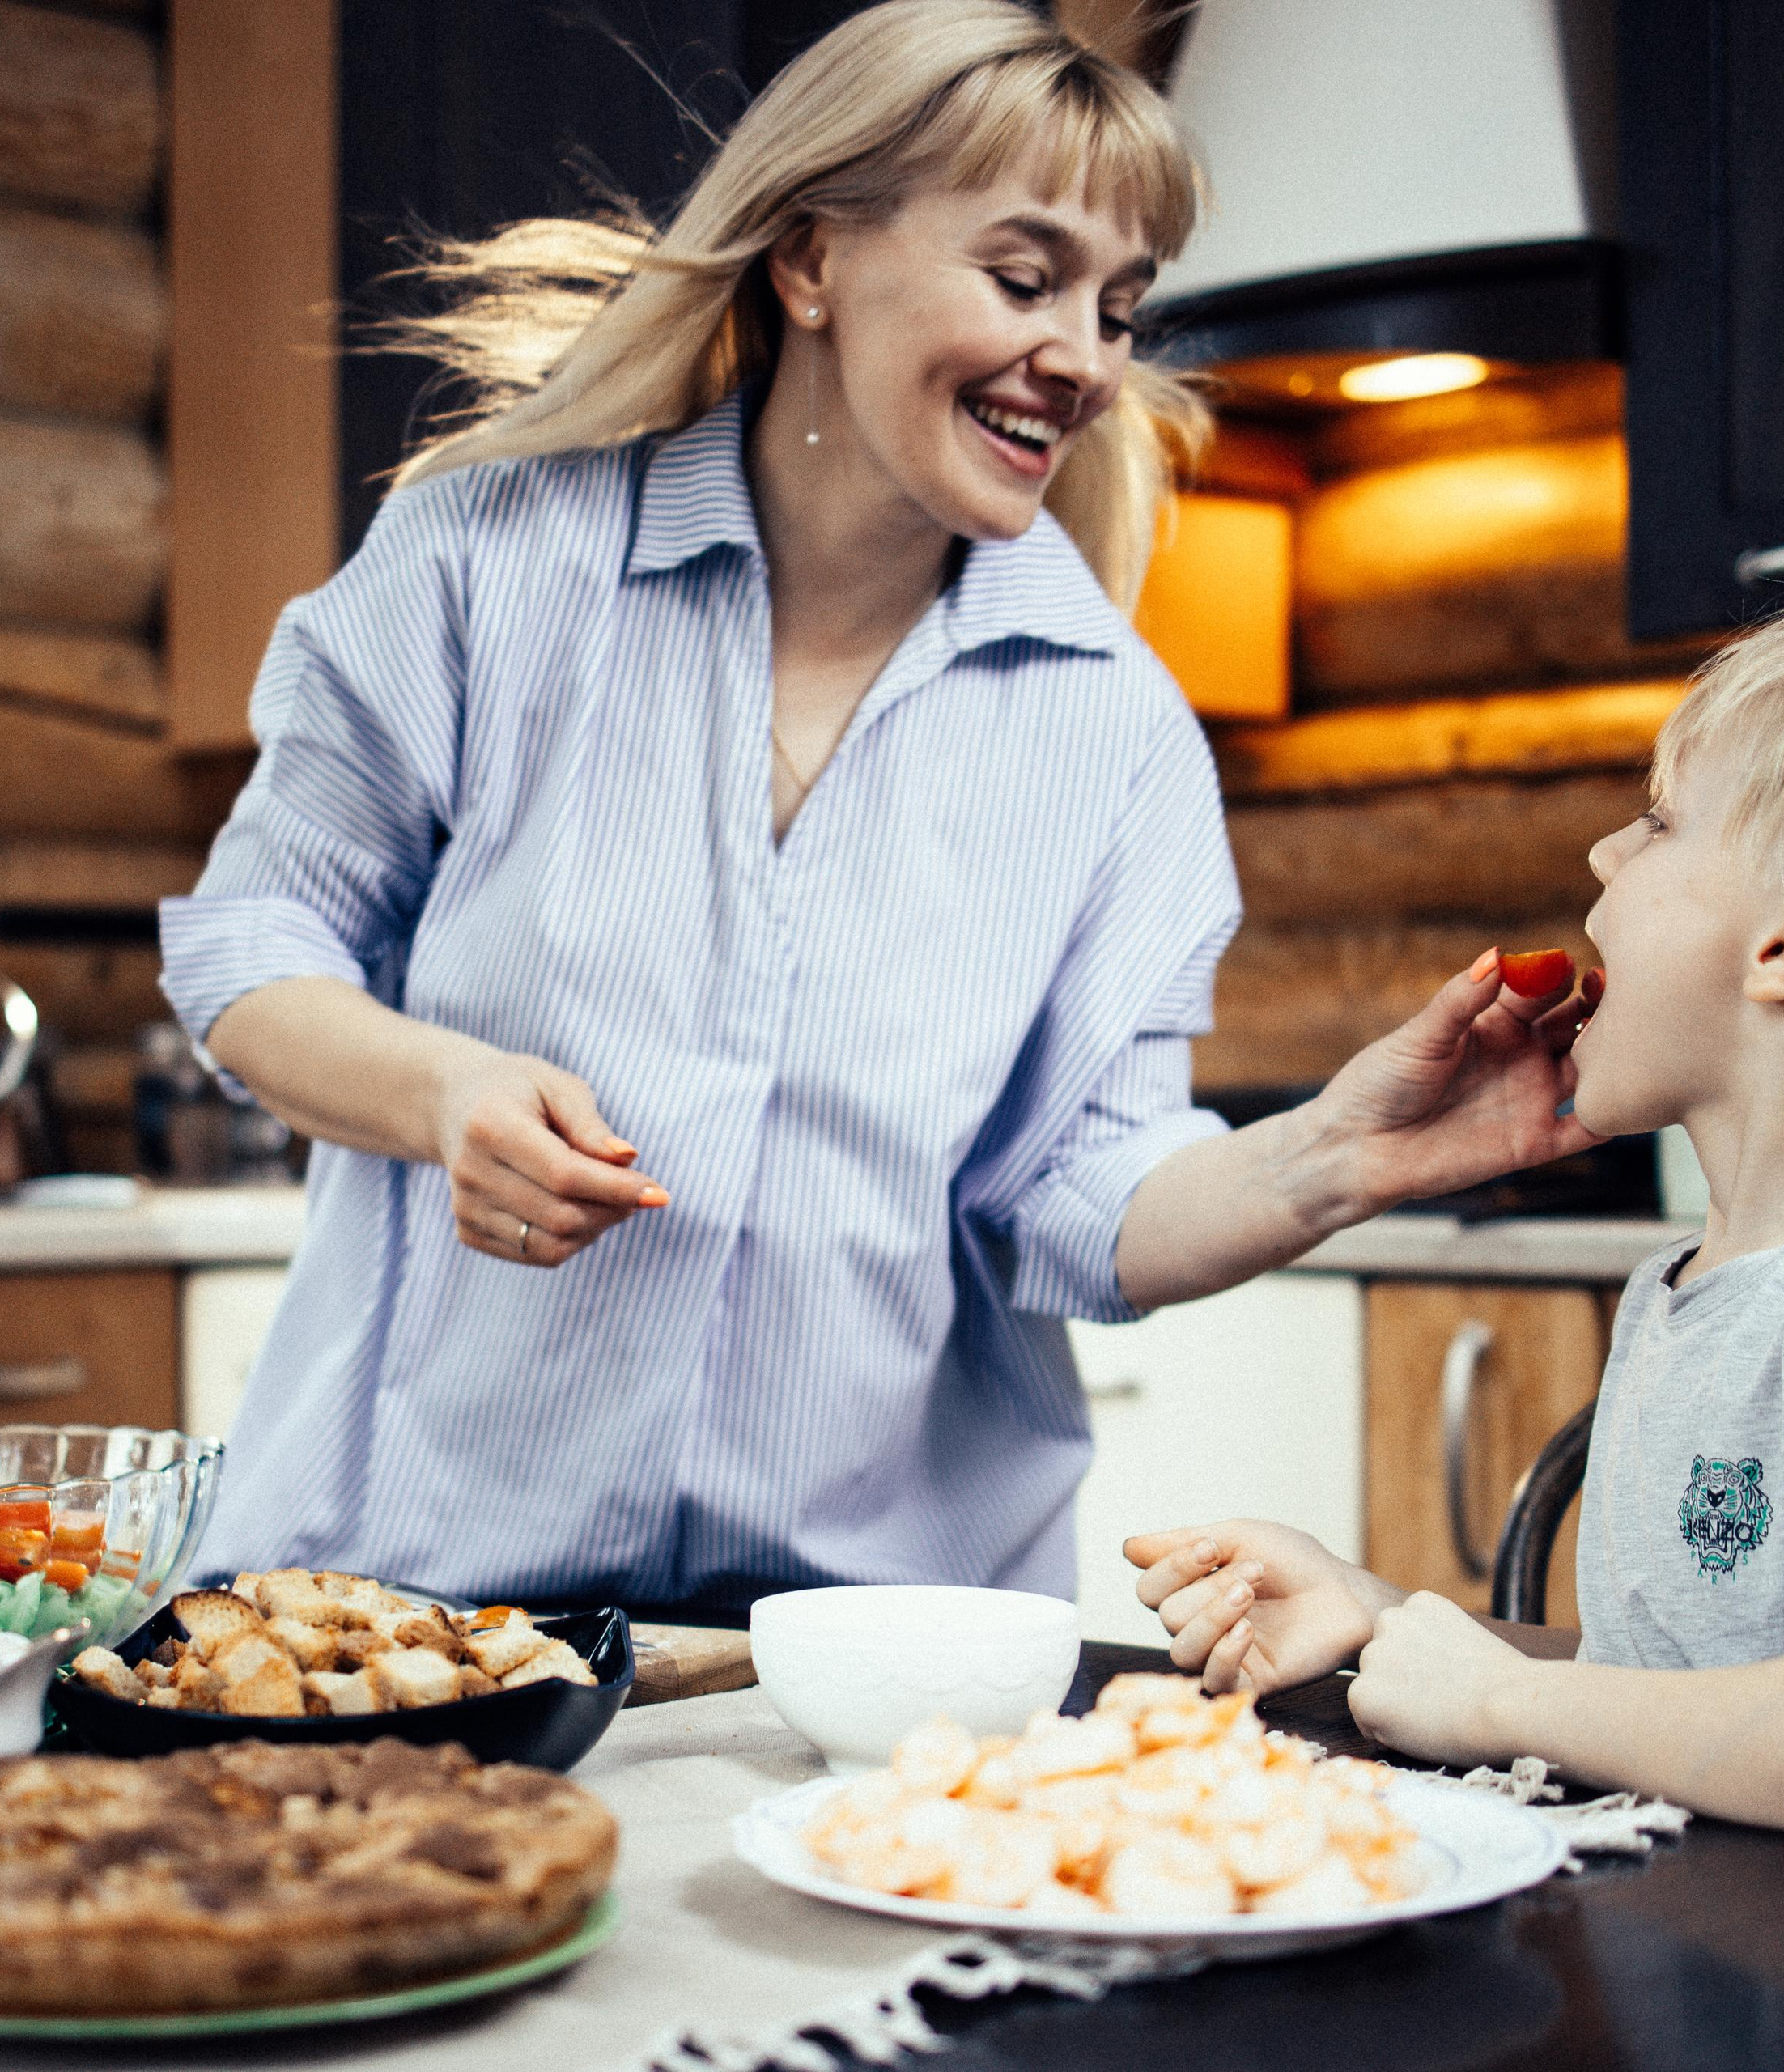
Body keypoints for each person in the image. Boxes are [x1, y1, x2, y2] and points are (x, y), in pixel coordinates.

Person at [160, 0, 1595, 1614]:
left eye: (1119, 308)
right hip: (412, 1606)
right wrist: (443, 1094)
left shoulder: (1113, 733)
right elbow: (252, 947)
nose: (1084, 359)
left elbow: (1082, 1195)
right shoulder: (493, 565)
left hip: (868, 1648)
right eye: (1025, 278)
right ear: (811, 258)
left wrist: (1334, 1154)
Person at [1128, 617, 1784, 1828]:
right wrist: (1384, 1617)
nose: (1601, 850)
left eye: (1657, 821)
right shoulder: (1687, 1291)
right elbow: (1676, 1693)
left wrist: (1501, 1704)